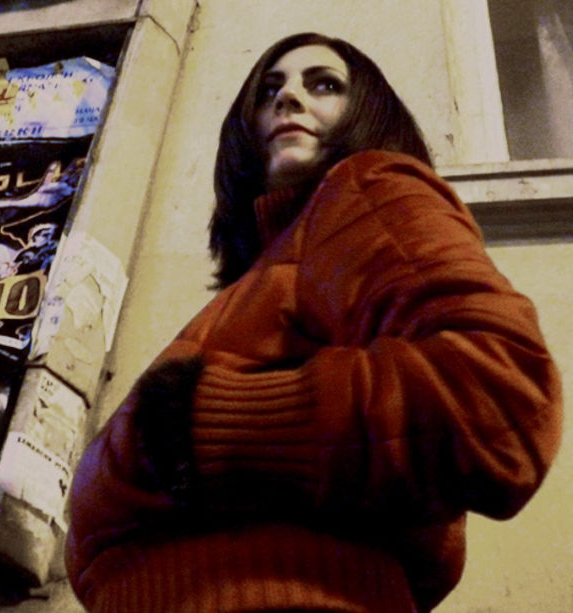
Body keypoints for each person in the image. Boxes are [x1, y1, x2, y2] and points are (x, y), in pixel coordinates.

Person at [64, 33, 563, 613]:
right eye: (268, 90)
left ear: (369, 113)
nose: (288, 98)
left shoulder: (367, 189)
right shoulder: (278, 268)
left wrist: (212, 426)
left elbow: (502, 399)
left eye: (323, 84)